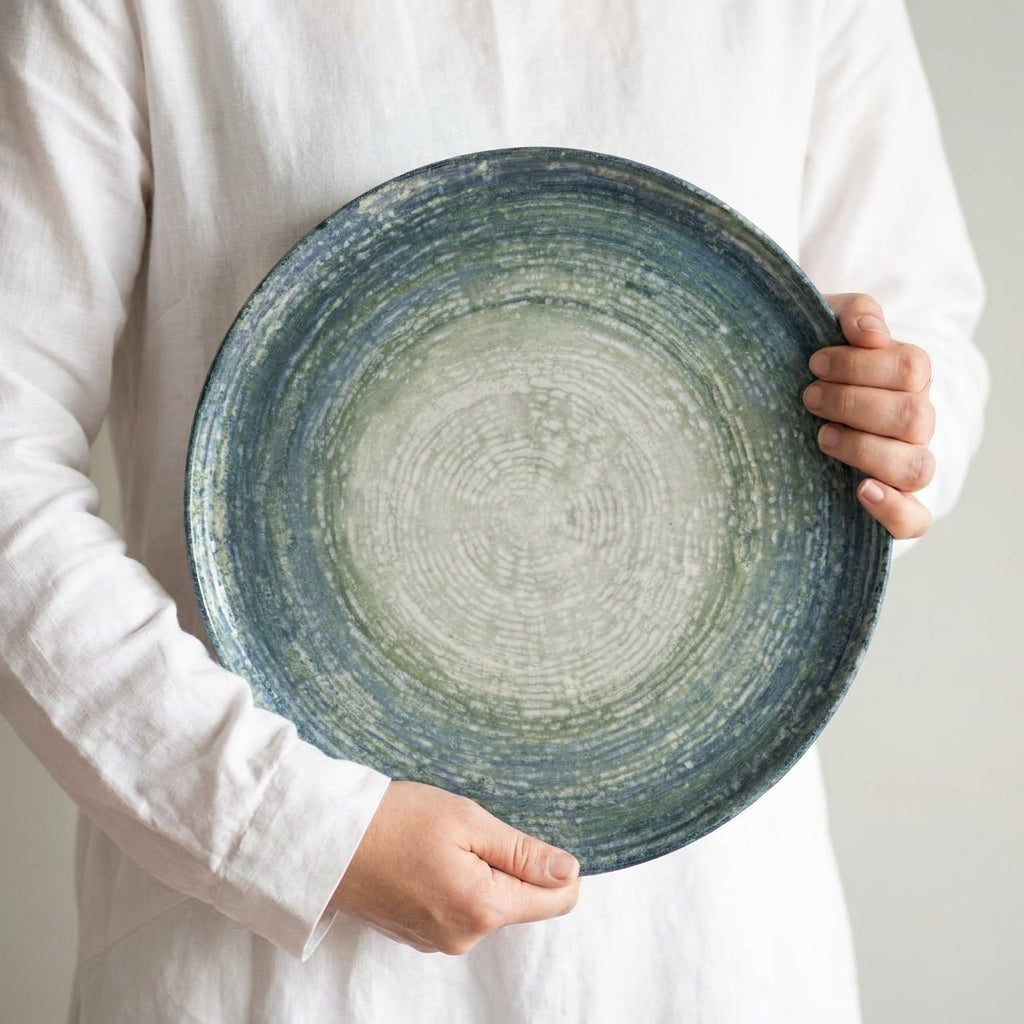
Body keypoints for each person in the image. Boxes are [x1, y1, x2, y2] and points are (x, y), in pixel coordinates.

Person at [0, 1, 987, 1021]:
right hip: (264, 952)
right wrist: (293, 826)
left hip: (701, 937)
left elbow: (919, 334)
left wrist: (903, 429)